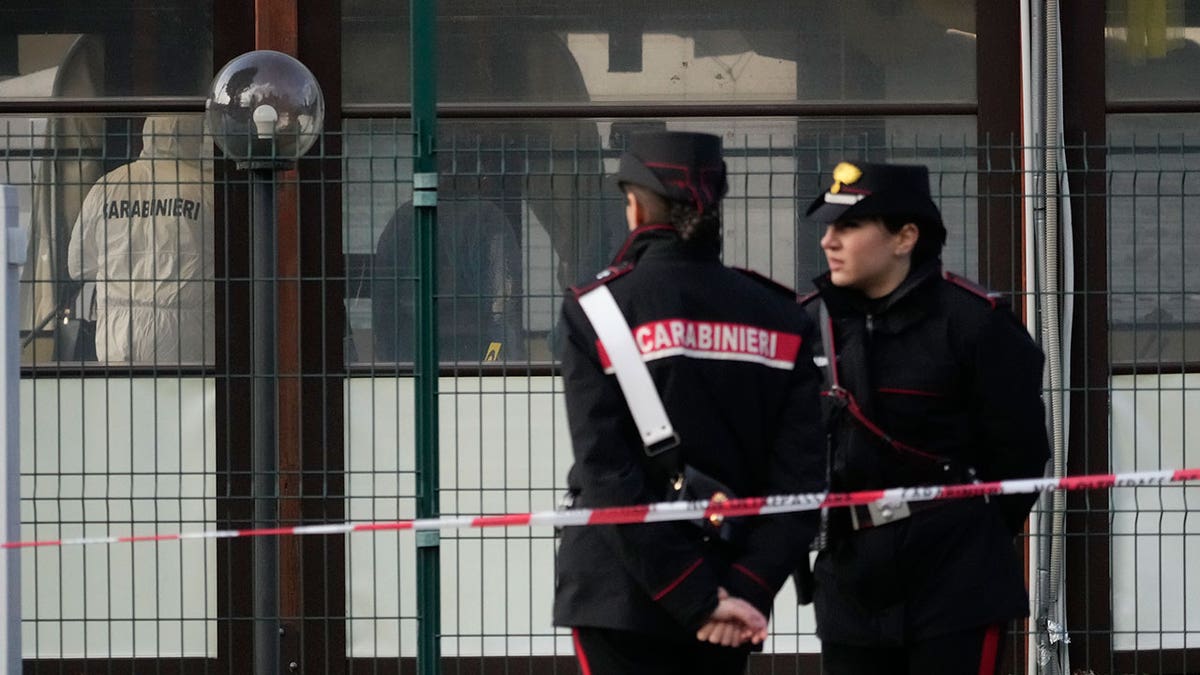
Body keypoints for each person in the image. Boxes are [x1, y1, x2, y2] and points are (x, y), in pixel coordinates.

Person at [553, 131, 826, 674]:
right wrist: (742, 591)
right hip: (733, 587)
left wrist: (693, 596)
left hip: (620, 594)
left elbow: (608, 474)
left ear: (634, 206)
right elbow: (799, 483)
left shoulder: (599, 311)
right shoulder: (781, 316)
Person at [800, 161, 1051, 674]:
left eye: (847, 227)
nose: (828, 241)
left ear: (905, 237)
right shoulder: (812, 324)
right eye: (827, 227)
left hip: (954, 583)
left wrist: (965, 534)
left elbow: (1020, 456)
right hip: (851, 585)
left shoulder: (976, 325)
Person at [66, 115, 214, 364]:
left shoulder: (108, 186)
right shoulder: (207, 188)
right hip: (187, 332)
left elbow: (78, 266)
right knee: (186, 400)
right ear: (195, 138)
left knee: (124, 401)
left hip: (118, 329)